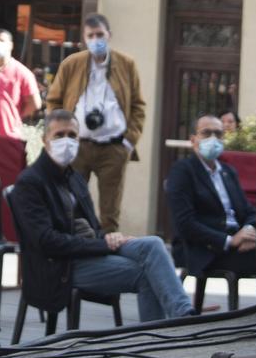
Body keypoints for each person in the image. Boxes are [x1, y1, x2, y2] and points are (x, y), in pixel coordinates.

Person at [12, 109, 193, 324]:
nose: (66, 141)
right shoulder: (30, 182)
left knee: (153, 244)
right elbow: (47, 242)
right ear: (45, 140)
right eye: (59, 135)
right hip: (60, 266)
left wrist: (111, 239)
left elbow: (94, 228)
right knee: (145, 274)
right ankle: (159, 334)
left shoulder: (74, 178)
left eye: (72, 136)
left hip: (89, 250)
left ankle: (184, 314)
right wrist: (103, 245)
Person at [44, 13, 146, 232]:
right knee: (73, 203)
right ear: (84, 37)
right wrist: (59, 136)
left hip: (114, 147)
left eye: (100, 34)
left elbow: (138, 106)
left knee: (110, 211)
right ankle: (78, 249)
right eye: (91, 35)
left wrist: (128, 142)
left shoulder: (126, 65)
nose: (96, 39)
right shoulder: (72, 64)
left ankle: (108, 255)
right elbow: (54, 101)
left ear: (109, 35)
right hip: (77, 146)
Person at [166, 116, 256, 293]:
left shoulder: (228, 172)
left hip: (238, 243)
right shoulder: (183, 171)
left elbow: (249, 211)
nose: (213, 139)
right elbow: (185, 224)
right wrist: (229, 241)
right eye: (206, 133)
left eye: (218, 134)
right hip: (202, 249)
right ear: (193, 140)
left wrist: (249, 232)